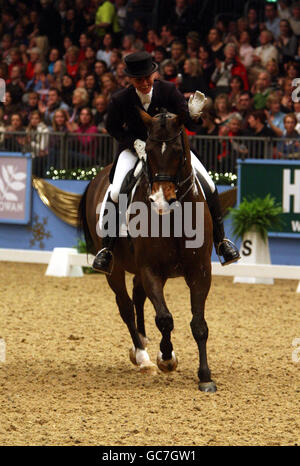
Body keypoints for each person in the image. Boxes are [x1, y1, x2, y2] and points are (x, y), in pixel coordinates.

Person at [92, 51, 240, 274]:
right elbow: (112, 127)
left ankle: (222, 242)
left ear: (154, 74)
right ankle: (107, 249)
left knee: (208, 184)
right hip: (135, 150)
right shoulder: (120, 99)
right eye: (138, 80)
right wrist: (134, 142)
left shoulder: (168, 90)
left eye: (147, 78)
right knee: (116, 191)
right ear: (130, 79)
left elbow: (187, 121)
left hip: (171, 151)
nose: (143, 83)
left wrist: (195, 114)